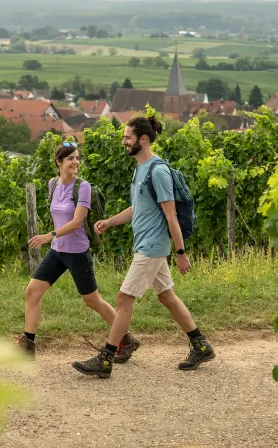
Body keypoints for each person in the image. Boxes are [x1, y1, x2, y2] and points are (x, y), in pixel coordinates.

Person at [72, 116, 215, 378]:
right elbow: (138, 208)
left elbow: (170, 215)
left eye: (128, 137)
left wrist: (181, 253)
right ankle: (201, 345)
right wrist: (110, 221)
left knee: (124, 298)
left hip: (152, 247)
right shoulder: (140, 170)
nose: (124, 142)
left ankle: (106, 358)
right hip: (147, 245)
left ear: (143, 139)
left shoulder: (158, 172)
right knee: (166, 296)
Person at [18, 141, 140, 360]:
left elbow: (76, 222)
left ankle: (127, 338)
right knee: (32, 292)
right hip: (57, 251)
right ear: (59, 162)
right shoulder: (52, 184)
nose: (75, 162)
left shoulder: (83, 187)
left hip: (77, 252)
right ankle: (27, 345)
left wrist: (49, 235)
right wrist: (54, 239)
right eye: (70, 158)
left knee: (92, 300)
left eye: (77, 158)